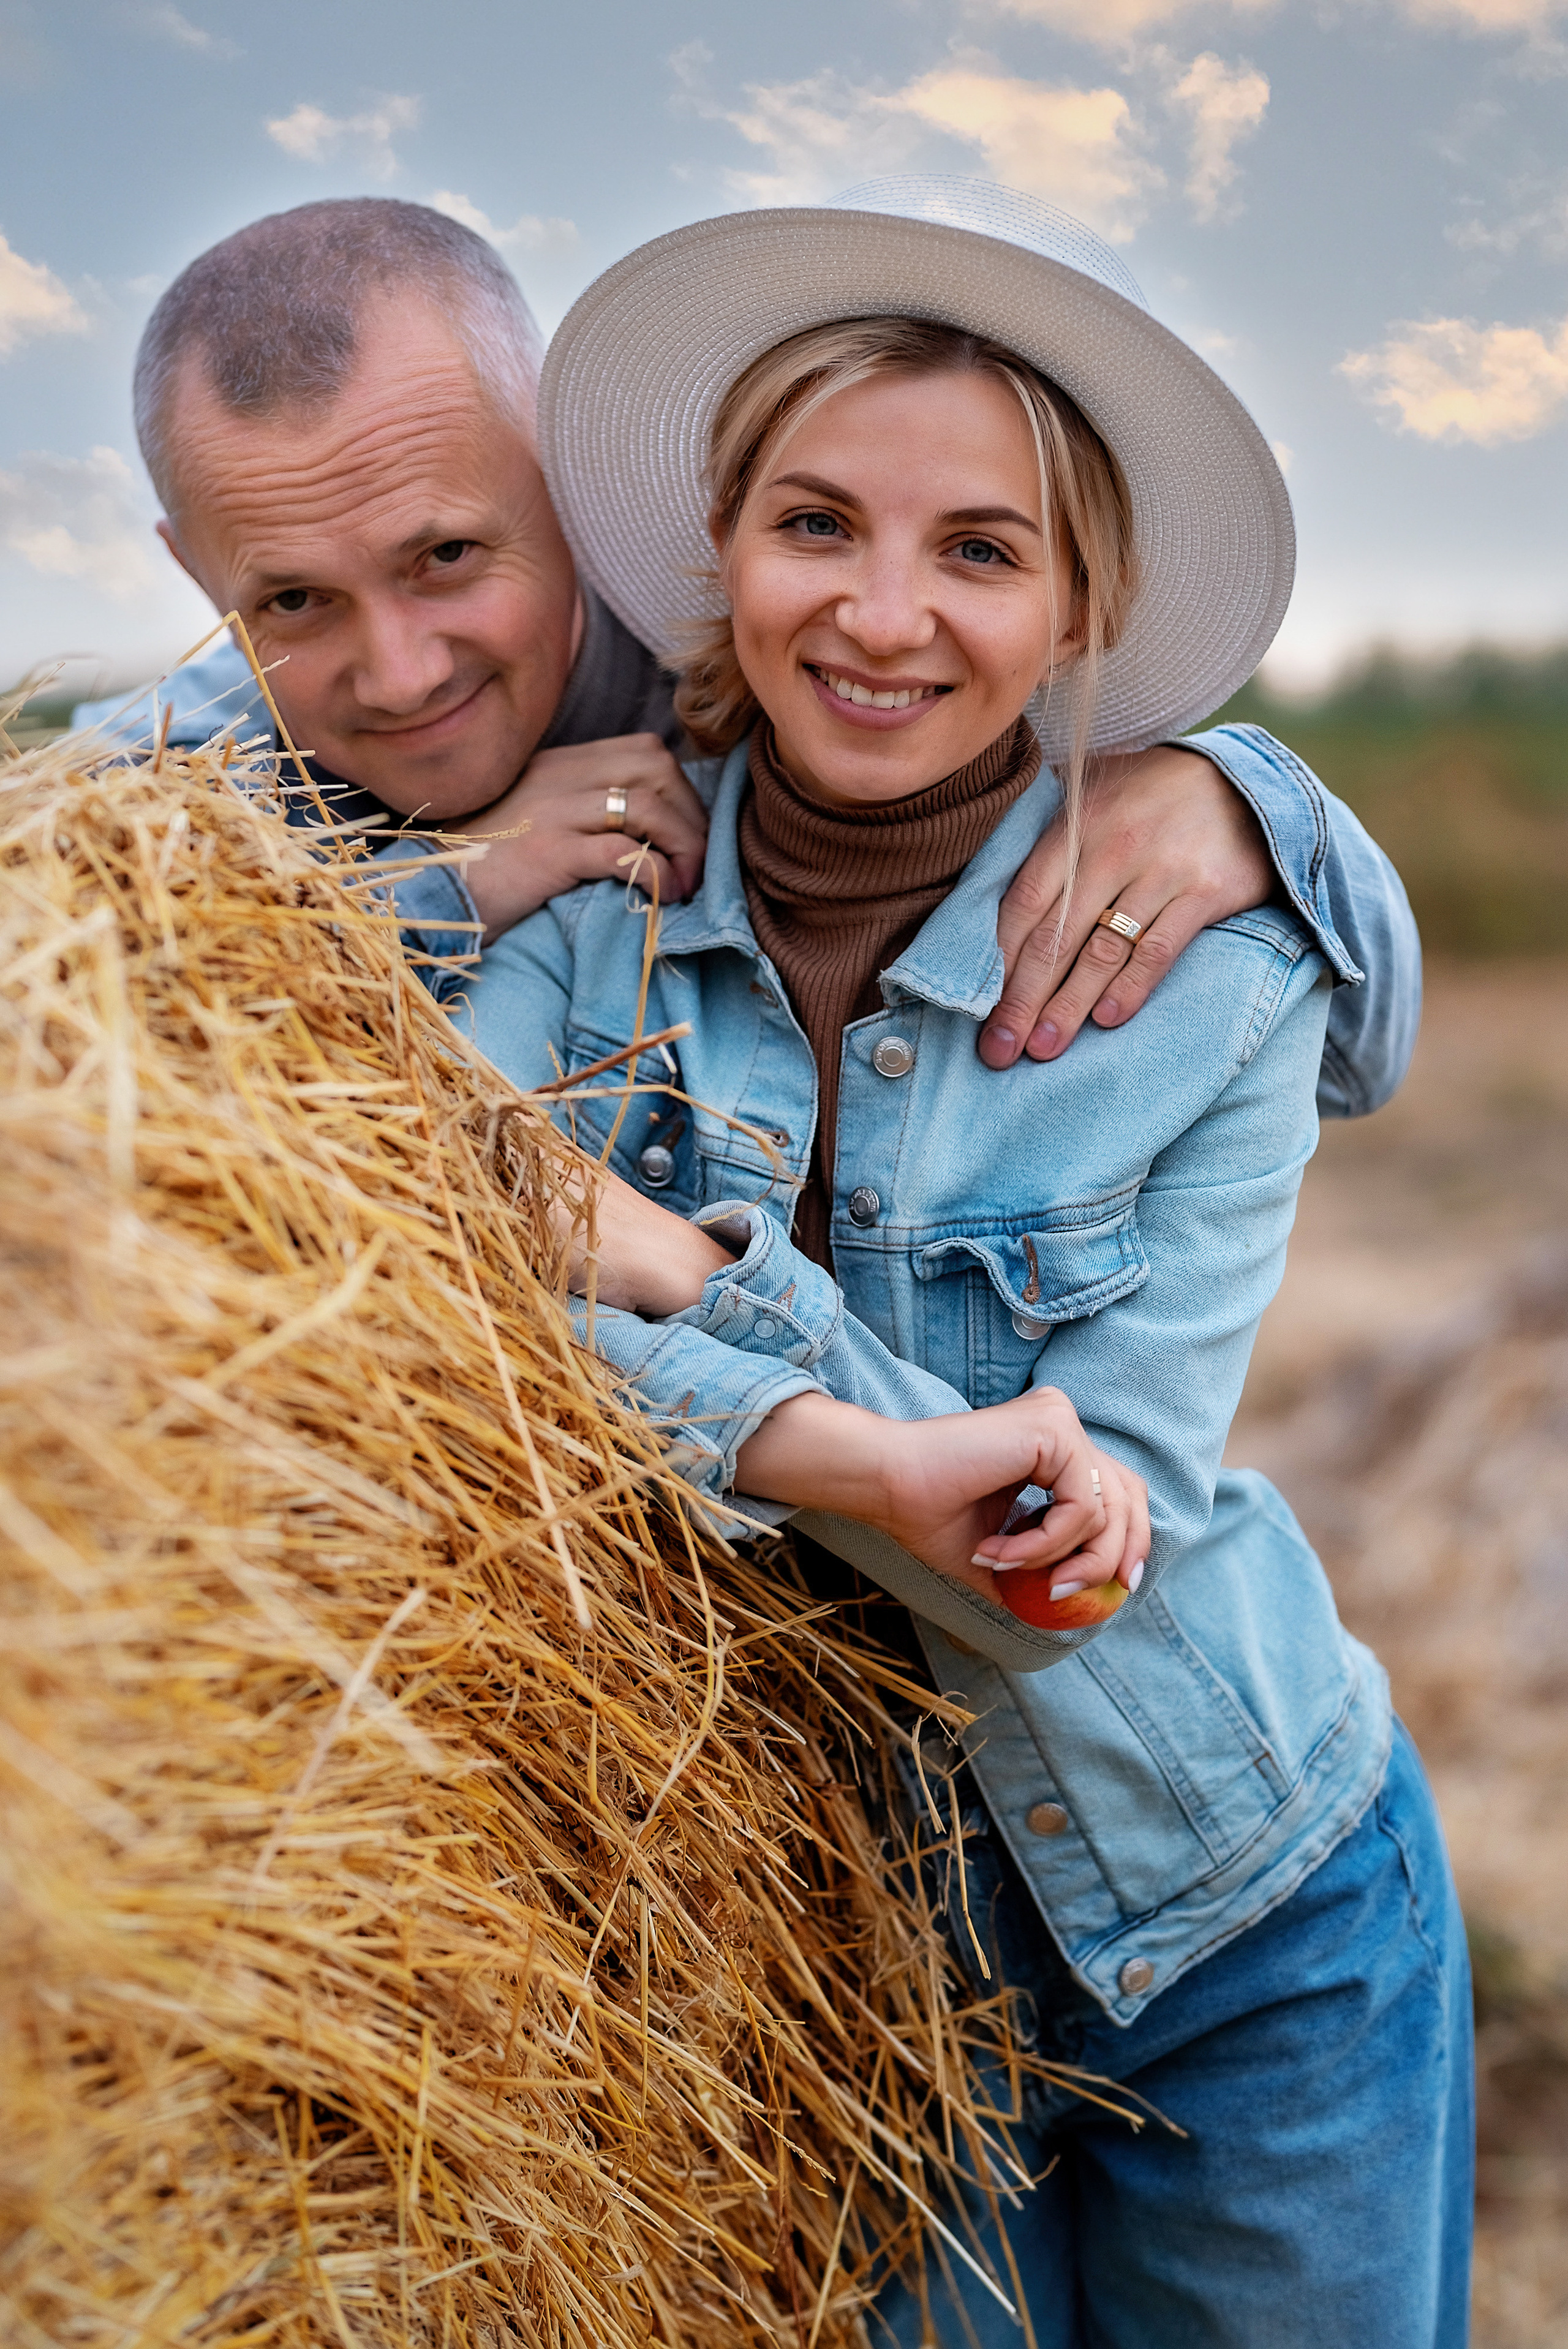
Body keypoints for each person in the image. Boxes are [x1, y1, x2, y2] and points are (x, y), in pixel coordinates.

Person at [449, 179, 1472, 2347]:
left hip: (1247, 1911)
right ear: (722, 545)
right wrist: (820, 1430)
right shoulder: (581, 893)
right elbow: (453, 1307)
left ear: (1079, 600)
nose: (883, 616)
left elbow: (1073, 1537)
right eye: (818, 523)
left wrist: (661, 1268)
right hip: (840, 1958)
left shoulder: (1219, 964)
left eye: (981, 549)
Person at [73, 197, 1419, 1106]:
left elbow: (1359, 1063)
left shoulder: (783, 661)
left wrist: (1247, 805)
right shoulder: (170, 780)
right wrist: (444, 887)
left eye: (447, 558)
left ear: (558, 466)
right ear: (197, 571)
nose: (404, 670)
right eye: (295, 602)